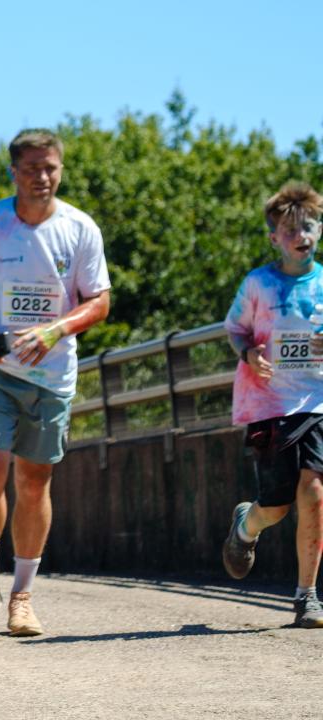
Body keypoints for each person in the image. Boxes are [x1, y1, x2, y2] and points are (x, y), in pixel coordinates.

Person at [0, 128, 111, 637]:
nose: (42, 176)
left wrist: (57, 328)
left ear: (61, 169)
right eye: (31, 167)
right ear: (13, 172)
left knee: (34, 481)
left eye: (50, 167)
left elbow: (99, 301)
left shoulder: (79, 229)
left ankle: (23, 595)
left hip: (51, 375)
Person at [222, 181, 323, 629]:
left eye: (310, 225)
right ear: (274, 238)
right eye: (291, 229)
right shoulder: (258, 284)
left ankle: (307, 596)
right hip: (270, 404)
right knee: (278, 506)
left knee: (315, 494)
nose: (302, 234)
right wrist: (249, 354)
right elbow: (236, 330)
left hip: (318, 399)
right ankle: (246, 524)